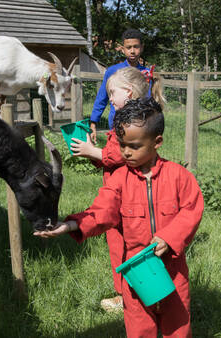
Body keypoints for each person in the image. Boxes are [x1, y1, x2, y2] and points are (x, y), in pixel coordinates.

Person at [35, 97, 204, 337]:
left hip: (172, 269)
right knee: (138, 326)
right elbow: (102, 212)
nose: (125, 151)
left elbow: (191, 210)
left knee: (177, 325)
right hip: (135, 271)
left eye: (134, 146)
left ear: (157, 142)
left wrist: (168, 237)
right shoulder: (118, 180)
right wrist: (71, 224)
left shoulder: (179, 176)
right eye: (122, 144)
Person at [70, 66, 166, 312]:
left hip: (124, 197)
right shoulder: (128, 121)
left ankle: (127, 296)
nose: (110, 98)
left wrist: (94, 151)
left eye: (112, 93)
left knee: (123, 246)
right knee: (129, 245)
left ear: (130, 93)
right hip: (122, 194)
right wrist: (92, 152)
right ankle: (140, 293)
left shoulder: (131, 124)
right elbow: (109, 157)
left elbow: (118, 155)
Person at [89, 28, 149, 143]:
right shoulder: (112, 71)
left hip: (140, 127)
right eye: (128, 47)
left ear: (142, 47)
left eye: (136, 47)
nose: (132, 51)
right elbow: (102, 98)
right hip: (116, 125)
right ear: (122, 49)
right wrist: (93, 122)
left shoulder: (146, 74)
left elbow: (150, 99)